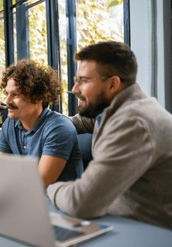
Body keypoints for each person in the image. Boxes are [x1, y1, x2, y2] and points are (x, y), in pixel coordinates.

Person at [47, 41, 172, 230]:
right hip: (123, 222)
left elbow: (80, 202)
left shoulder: (132, 123)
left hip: (151, 234)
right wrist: (43, 122)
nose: (75, 89)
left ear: (113, 83)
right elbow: (77, 122)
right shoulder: (111, 110)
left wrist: (48, 187)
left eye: (84, 80)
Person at [0, 59, 83, 186]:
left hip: (59, 203)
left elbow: (40, 184)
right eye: (7, 93)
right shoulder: (10, 124)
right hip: (24, 200)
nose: (7, 101)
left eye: (15, 95)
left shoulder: (59, 127)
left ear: (38, 97)